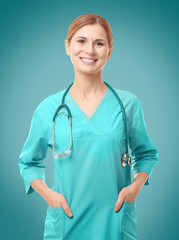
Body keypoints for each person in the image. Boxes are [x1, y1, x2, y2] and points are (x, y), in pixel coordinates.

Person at [18, 13, 158, 240]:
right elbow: (28, 162)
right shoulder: (48, 109)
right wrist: (50, 196)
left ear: (109, 51)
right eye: (81, 41)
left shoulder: (128, 105)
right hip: (65, 222)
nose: (90, 50)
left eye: (99, 43)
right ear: (67, 46)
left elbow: (147, 154)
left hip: (115, 223)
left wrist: (134, 188)